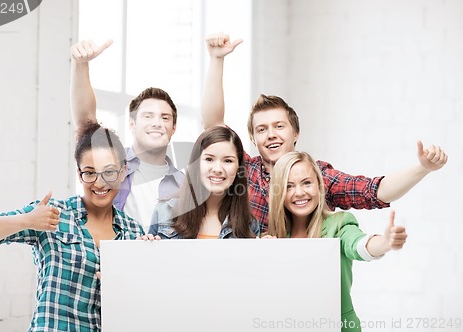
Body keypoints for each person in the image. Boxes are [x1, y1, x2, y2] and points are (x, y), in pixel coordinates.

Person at [201, 32, 448, 231]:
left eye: (279, 126)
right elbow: (213, 126)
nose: (271, 134)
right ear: (253, 139)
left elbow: (374, 191)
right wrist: (216, 59)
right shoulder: (244, 171)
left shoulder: (317, 176)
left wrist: (422, 168)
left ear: (295, 132)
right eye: (262, 129)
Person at [0, 122, 144, 331]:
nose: (99, 183)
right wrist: (27, 220)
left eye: (109, 172)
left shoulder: (134, 232)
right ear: (80, 174)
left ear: (123, 171)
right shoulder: (52, 214)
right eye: (90, 173)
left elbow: (138, 304)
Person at [267, 151, 408, 331]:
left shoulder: (339, 224)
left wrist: (385, 242)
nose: (299, 192)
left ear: (319, 186)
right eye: (289, 186)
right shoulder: (275, 237)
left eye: (307, 183)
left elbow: (358, 244)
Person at [70, 40, 184, 233]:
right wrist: (80, 65)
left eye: (165, 117)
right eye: (148, 116)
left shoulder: (183, 184)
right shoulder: (111, 164)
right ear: (132, 124)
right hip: (110, 258)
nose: (157, 123)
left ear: (173, 128)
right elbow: (85, 123)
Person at [147, 126, 260, 239]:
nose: (217, 169)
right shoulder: (163, 214)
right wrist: (144, 246)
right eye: (209, 159)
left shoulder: (250, 225)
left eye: (228, 161)